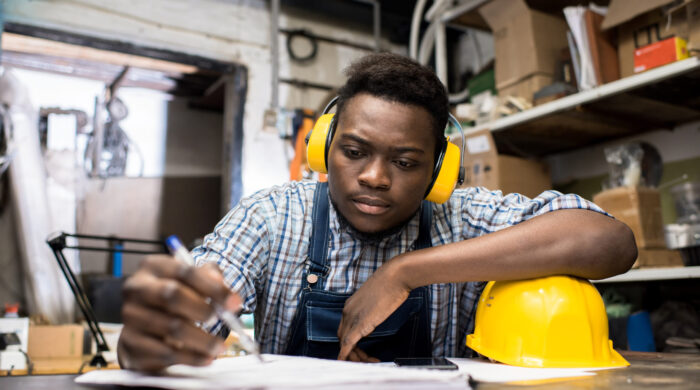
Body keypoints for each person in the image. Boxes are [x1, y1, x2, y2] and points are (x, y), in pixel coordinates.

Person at [117, 52, 637, 371]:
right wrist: (156, 336)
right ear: (323, 149)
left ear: (438, 171)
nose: (374, 177)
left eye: (406, 162)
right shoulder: (272, 218)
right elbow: (178, 330)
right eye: (354, 151)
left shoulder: (464, 217)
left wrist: (405, 272)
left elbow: (611, 243)